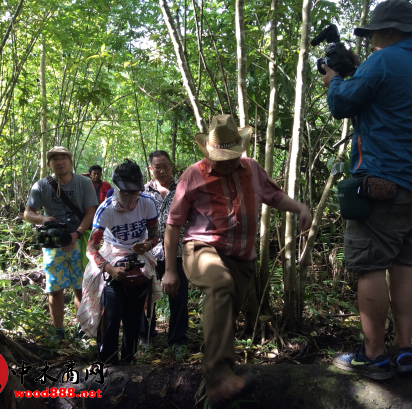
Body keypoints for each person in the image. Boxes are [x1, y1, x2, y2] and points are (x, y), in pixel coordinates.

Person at [321, 0, 412, 379]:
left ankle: (374, 356)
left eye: (374, 34)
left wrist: (334, 80)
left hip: (385, 184)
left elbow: (342, 104)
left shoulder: (385, 59)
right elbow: (393, 101)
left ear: (390, 31)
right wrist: (359, 71)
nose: (371, 40)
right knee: (404, 263)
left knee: (370, 265)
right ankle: (404, 350)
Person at [163, 115, 313, 406]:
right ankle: (218, 378)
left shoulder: (252, 169)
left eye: (230, 157)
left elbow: (274, 195)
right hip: (201, 248)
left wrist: (299, 207)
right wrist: (170, 271)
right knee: (220, 284)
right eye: (219, 157)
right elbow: (173, 224)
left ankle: (219, 387)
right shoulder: (194, 174)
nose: (225, 163)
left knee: (226, 313)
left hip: (242, 258)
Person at [77, 159, 161, 364]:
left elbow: (155, 235)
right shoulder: (106, 209)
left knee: (133, 316)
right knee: (112, 314)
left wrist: (147, 245)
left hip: (138, 254)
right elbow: (91, 248)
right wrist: (110, 269)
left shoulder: (147, 203)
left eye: (134, 192)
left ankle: (129, 360)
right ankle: (107, 361)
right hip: (111, 254)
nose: (130, 198)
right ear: (116, 188)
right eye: (125, 192)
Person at [24, 146, 98, 340]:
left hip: (79, 241)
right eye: (55, 159)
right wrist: (43, 220)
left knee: (80, 287)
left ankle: (83, 328)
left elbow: (91, 211)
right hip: (53, 243)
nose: (60, 162)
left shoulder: (84, 183)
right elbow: (27, 213)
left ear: (70, 161)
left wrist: (77, 233)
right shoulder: (41, 186)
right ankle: (58, 332)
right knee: (55, 289)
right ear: (49, 163)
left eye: (64, 158)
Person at [139, 150, 189, 351]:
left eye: (165, 165)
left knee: (178, 295)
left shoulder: (184, 189)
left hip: (178, 251)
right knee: (144, 296)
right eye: (157, 167)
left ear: (171, 165)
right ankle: (145, 335)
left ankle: (177, 340)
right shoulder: (142, 192)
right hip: (149, 252)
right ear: (150, 169)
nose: (162, 170)